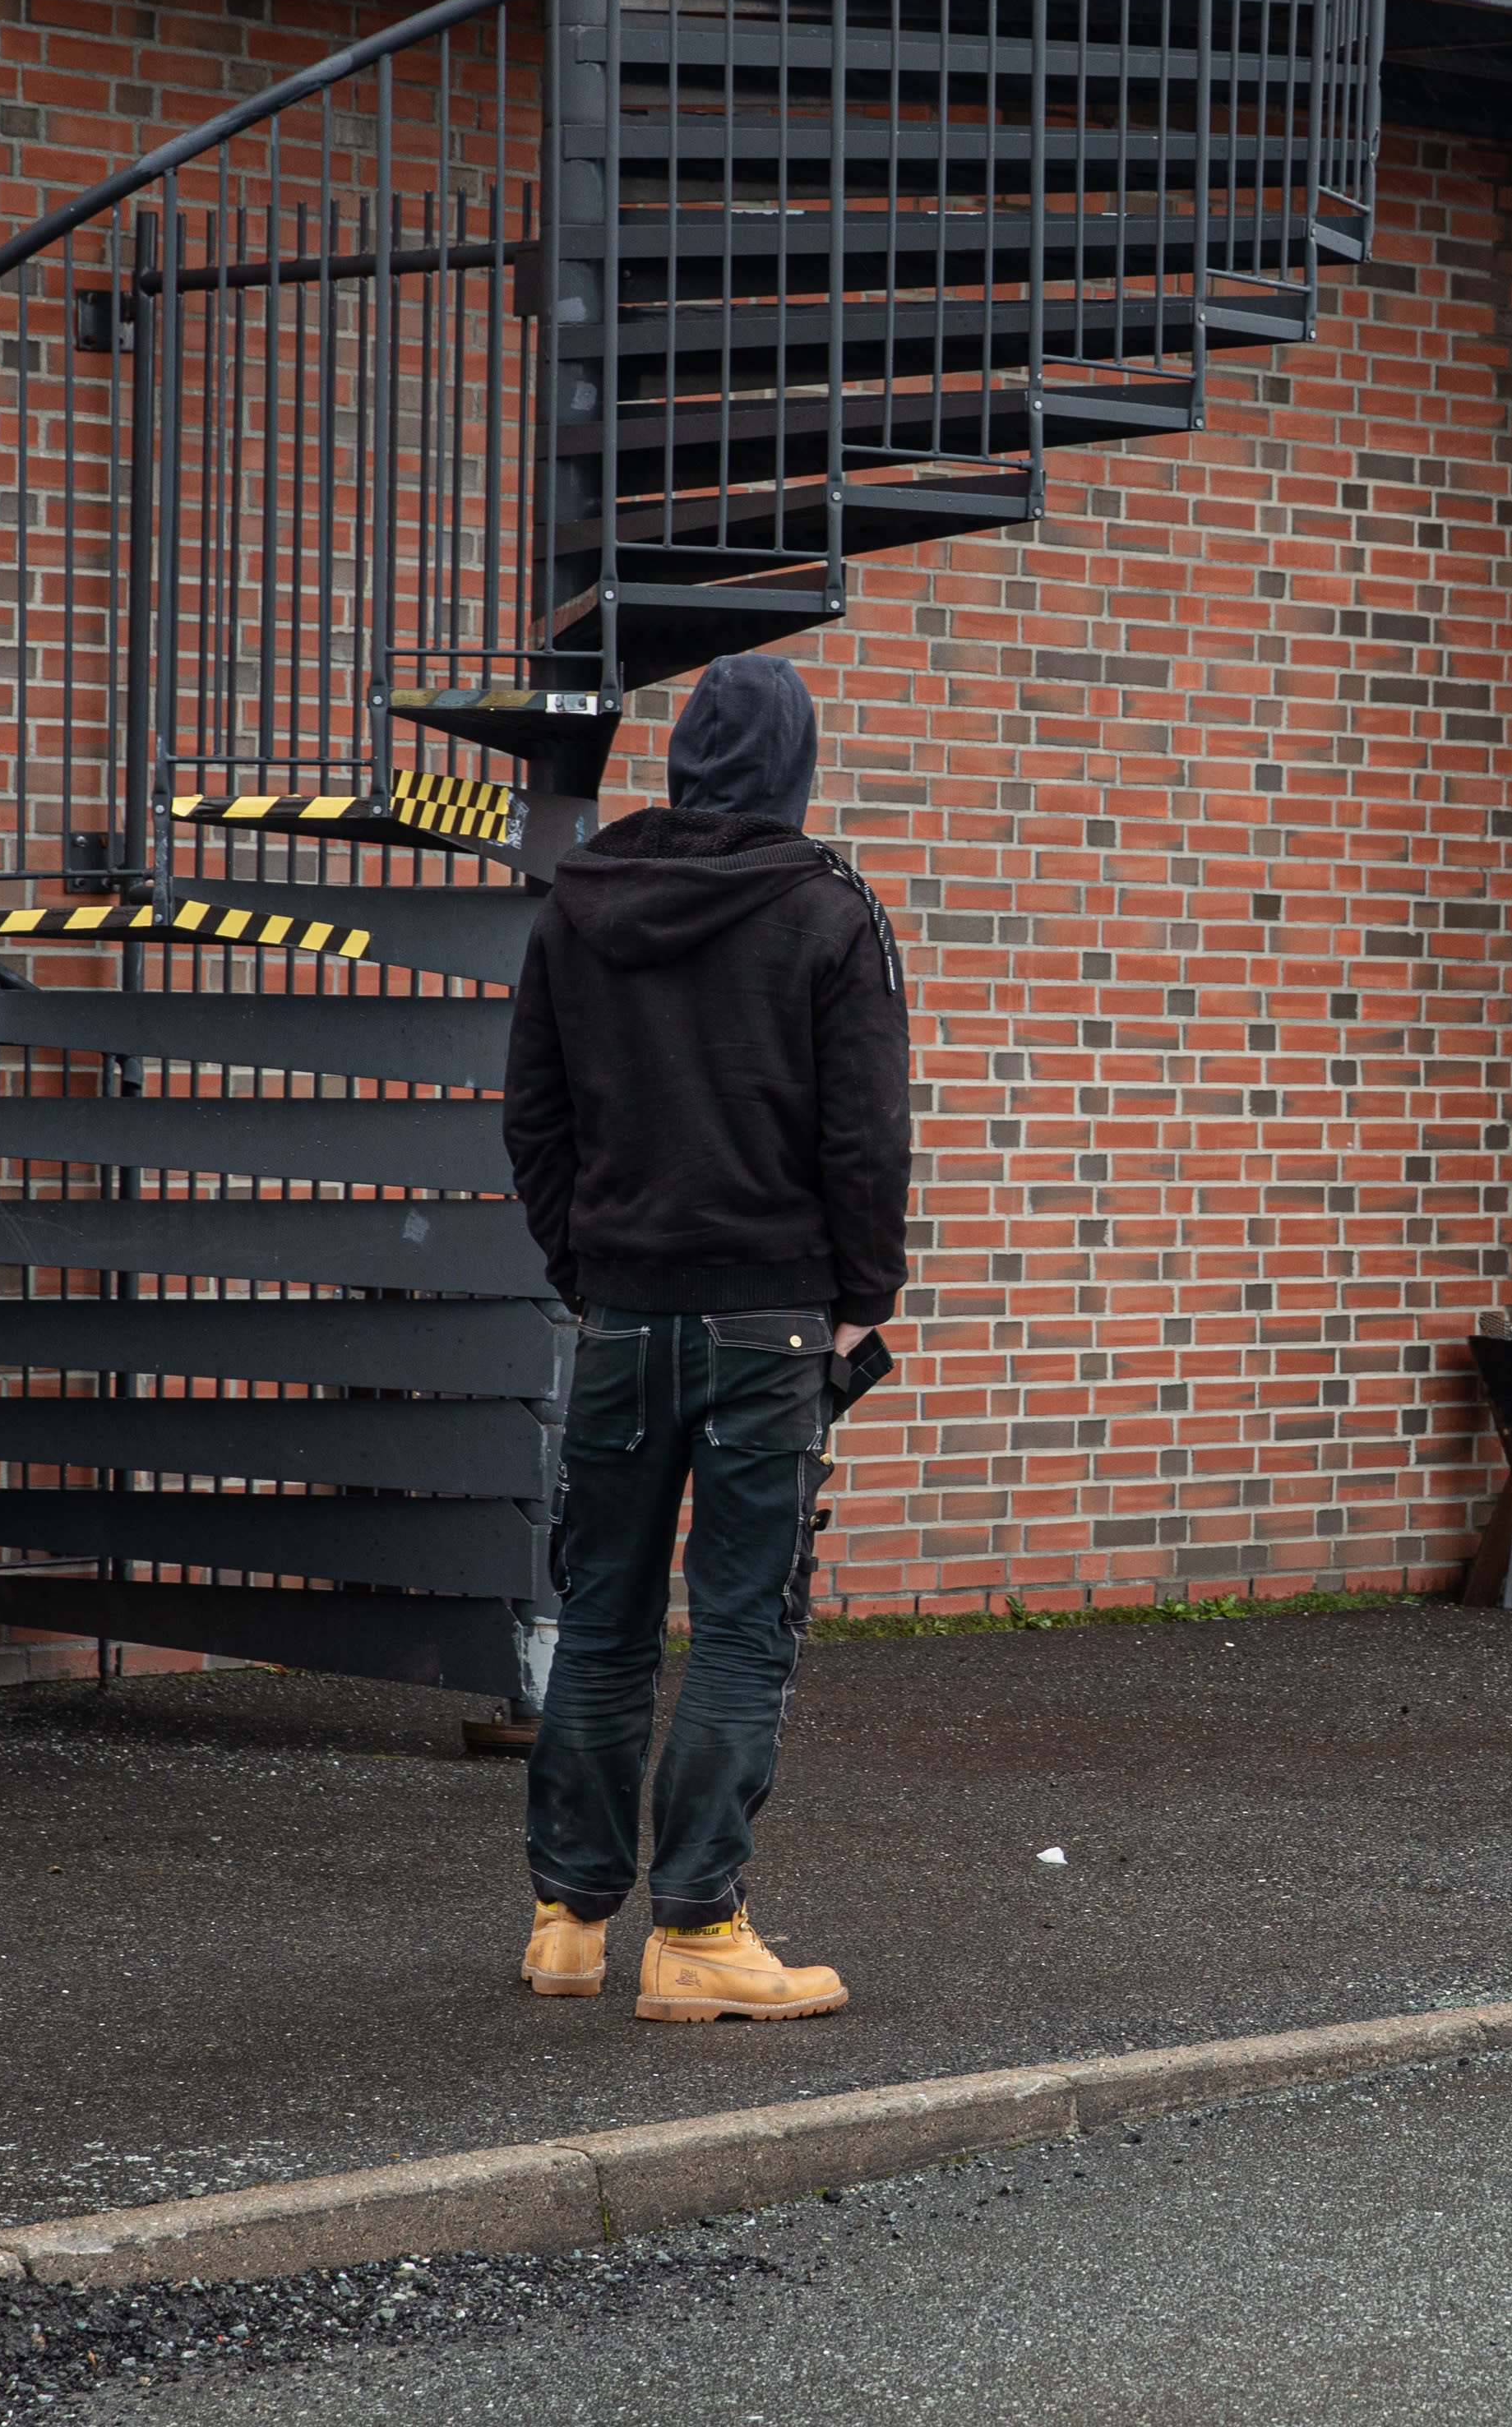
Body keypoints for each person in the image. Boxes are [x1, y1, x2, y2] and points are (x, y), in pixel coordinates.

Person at [501, 651, 909, 2021]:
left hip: (622, 1315)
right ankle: (696, 1931)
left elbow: (534, 1117)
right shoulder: (828, 912)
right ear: (793, 769)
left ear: (683, 764)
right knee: (742, 1627)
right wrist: (864, 1296)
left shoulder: (580, 904)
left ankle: (568, 1922)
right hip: (768, 1323)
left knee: (603, 1616)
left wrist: (589, 1268)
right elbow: (866, 1135)